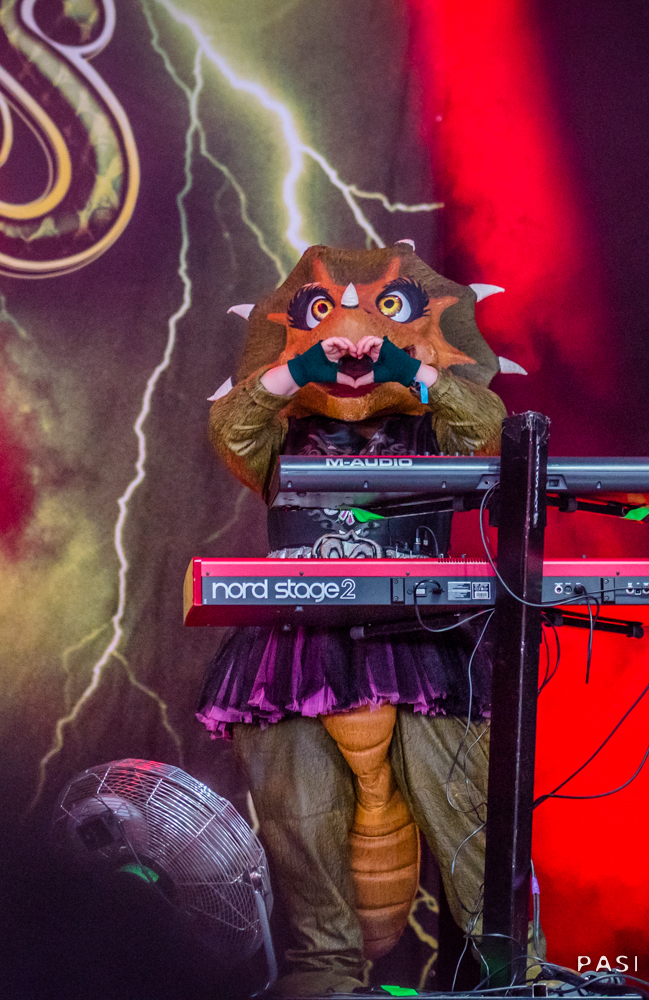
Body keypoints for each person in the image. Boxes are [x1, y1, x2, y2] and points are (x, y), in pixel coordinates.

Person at [197, 243, 508, 995]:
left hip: (420, 642)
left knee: (465, 817)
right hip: (295, 649)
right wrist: (305, 365)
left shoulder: (438, 428)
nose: (355, 338)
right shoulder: (279, 437)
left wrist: (403, 364)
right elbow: (232, 429)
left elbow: (485, 421)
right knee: (299, 820)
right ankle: (324, 969)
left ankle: (511, 969)